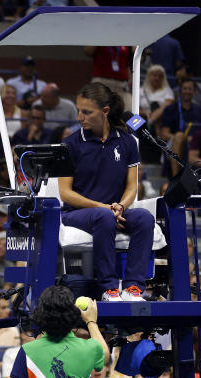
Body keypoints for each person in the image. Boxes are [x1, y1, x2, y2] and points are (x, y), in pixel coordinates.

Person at [60, 83, 154, 302]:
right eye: (78, 110)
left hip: (113, 210)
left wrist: (120, 206)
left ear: (105, 112)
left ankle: (133, 288)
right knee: (104, 217)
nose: (80, 117)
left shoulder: (128, 142)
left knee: (144, 218)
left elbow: (132, 187)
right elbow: (65, 193)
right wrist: (106, 208)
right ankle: (109, 288)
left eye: (87, 111)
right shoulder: (70, 144)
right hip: (77, 213)